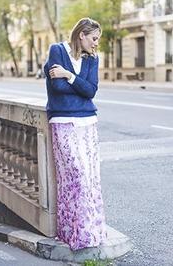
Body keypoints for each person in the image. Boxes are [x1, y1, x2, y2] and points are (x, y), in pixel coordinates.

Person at [44, 18, 107, 250]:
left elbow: (91, 91)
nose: (96, 43)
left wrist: (69, 76)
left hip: (88, 123)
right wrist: (77, 85)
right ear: (81, 34)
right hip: (63, 121)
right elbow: (57, 89)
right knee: (75, 176)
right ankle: (72, 232)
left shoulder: (93, 58)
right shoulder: (57, 51)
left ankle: (89, 233)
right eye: (94, 38)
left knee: (90, 179)